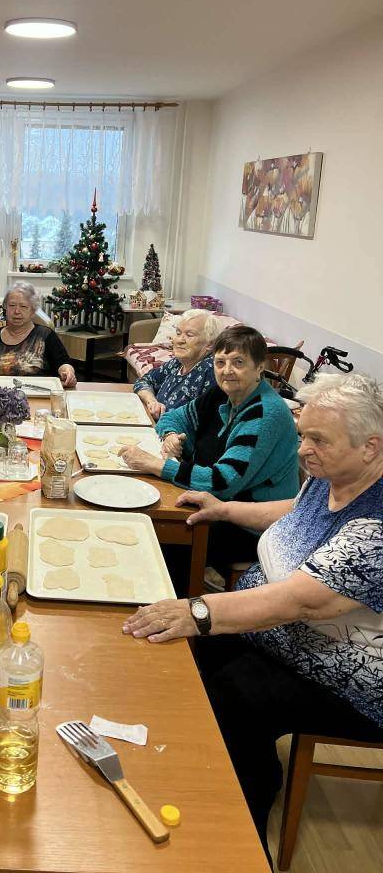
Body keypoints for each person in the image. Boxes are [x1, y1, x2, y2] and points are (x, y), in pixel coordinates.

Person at [122, 372, 383, 861]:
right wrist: (226, 510)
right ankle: (188, 772)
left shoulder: (377, 522)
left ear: (371, 447)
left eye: (318, 440)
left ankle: (235, 837)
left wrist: (198, 609)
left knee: (231, 697)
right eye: (303, 434)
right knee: (181, 667)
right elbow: (294, 511)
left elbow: (304, 602)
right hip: (280, 636)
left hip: (346, 678)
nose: (303, 449)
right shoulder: (336, 476)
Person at [119, 325, 299, 569]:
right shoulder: (221, 394)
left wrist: (155, 465)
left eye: (238, 362)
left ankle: (183, 602)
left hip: (254, 527)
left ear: (259, 367)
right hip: (223, 505)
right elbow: (173, 417)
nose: (227, 371)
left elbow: (222, 482)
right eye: (220, 362)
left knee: (160, 539)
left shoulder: (265, 413)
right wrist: (171, 434)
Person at [0, 282, 77, 387]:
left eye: (23, 306)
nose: (16, 311)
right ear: (5, 307)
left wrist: (67, 372)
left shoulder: (45, 335)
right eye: (12, 305)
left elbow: (63, 363)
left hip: (33, 400)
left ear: (33, 311)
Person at [132, 308, 219, 419]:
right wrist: (152, 401)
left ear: (210, 344)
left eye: (189, 335)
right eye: (178, 333)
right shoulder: (177, 363)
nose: (179, 340)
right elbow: (145, 380)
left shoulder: (210, 372)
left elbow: (200, 423)